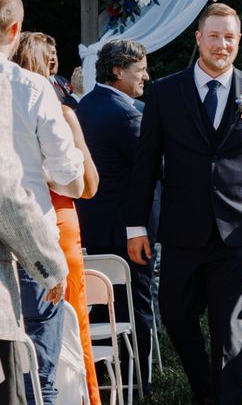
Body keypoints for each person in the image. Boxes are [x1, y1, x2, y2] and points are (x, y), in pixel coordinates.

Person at [126, 3, 242, 405]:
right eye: (214, 35)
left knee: (229, 327)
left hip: (236, 230)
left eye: (229, 37)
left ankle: (226, 398)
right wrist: (136, 226)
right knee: (176, 316)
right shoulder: (165, 92)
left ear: (239, 41)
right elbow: (145, 162)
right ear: (199, 39)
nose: (221, 44)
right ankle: (205, 389)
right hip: (181, 228)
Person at [0, 0, 85, 405]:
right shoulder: (33, 88)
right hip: (29, 245)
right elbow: (68, 175)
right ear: (15, 29)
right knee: (38, 376)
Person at [14, 31, 102, 405]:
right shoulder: (62, 112)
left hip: (15, 221)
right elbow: (88, 187)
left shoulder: (10, 104)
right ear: (53, 66)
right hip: (57, 223)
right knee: (67, 318)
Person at [75, 39, 155, 394]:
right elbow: (154, 166)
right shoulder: (125, 114)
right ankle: (140, 380)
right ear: (118, 71)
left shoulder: (85, 105)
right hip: (125, 229)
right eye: (140, 70)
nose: (147, 77)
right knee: (136, 303)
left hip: (90, 224)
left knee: (98, 304)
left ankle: (103, 373)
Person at [0, 75, 69, 405]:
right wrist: (50, 266)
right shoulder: (26, 86)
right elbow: (6, 197)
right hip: (28, 243)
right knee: (36, 377)